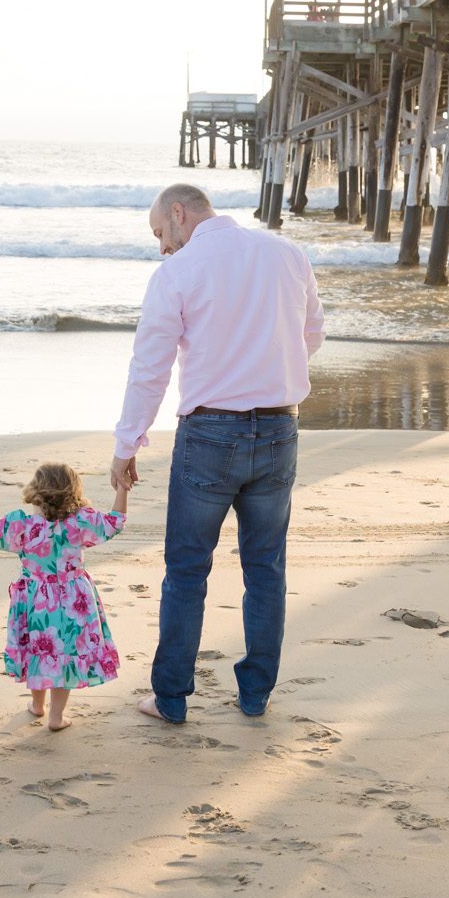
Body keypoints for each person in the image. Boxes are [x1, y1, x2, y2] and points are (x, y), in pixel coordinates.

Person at [112, 183, 323, 724]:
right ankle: (255, 695)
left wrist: (127, 443)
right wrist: (262, 359)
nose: (161, 246)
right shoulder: (287, 254)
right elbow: (312, 335)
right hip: (279, 430)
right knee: (265, 568)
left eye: (161, 233)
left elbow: (150, 368)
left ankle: (171, 699)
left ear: (179, 215)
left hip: (209, 435)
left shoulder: (177, 274)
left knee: (186, 570)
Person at [0, 463, 127, 731]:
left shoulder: (23, 526)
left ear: (35, 491)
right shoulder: (80, 522)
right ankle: (56, 716)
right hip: (74, 599)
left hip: (36, 602)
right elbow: (115, 522)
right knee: (65, 655)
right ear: (74, 492)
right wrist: (123, 489)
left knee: (39, 650)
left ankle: (37, 706)